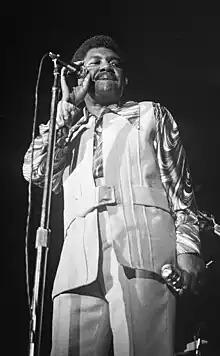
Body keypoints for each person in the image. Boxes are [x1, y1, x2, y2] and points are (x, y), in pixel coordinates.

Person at [23, 35, 205, 356]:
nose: (107, 66)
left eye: (114, 63)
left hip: (143, 253)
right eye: (95, 62)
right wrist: (66, 111)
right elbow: (35, 170)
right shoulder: (68, 133)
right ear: (77, 74)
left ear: (124, 81)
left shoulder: (151, 115)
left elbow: (181, 189)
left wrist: (188, 249)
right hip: (77, 264)